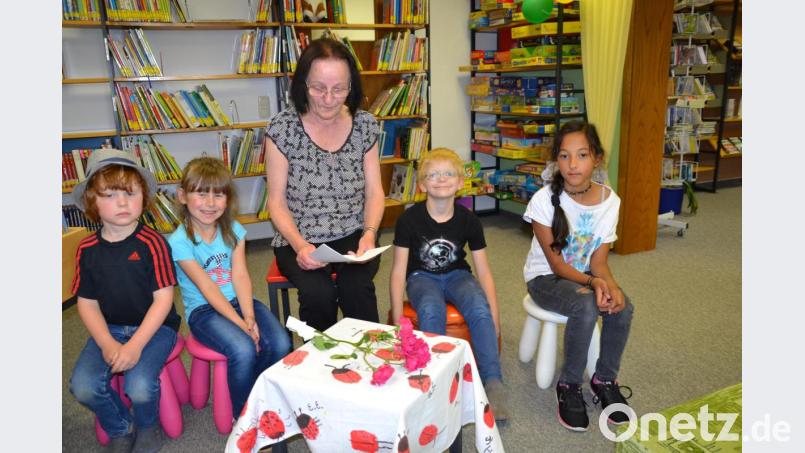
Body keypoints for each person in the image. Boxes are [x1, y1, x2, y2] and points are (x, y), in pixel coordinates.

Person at [266, 37, 385, 331]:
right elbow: (276, 201)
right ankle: (317, 369)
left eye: (339, 89)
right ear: (303, 84)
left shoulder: (365, 124)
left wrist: (369, 235)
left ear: (351, 87)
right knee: (317, 295)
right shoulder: (283, 128)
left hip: (354, 232)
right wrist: (300, 246)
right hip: (299, 236)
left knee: (357, 290)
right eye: (318, 88)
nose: (329, 99)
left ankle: (369, 368)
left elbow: (374, 191)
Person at [523, 120, 634, 432]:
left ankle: (604, 379)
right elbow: (557, 266)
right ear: (556, 160)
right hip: (545, 278)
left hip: (586, 275)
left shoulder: (609, 201)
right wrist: (593, 283)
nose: (572, 164)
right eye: (564, 156)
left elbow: (599, 262)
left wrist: (609, 285)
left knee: (622, 305)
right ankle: (569, 385)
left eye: (582, 155)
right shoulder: (543, 200)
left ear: (596, 158)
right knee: (585, 306)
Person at [69, 148, 181, 453]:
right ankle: (121, 426)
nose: (122, 202)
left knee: (140, 387)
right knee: (82, 386)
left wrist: (134, 346)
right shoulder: (87, 248)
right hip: (111, 329)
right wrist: (107, 343)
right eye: (109, 195)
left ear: (143, 198)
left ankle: (147, 425)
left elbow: (163, 300)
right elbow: (87, 303)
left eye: (130, 194)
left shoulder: (153, 242)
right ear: (92, 201)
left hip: (156, 329)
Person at [389, 148, 509, 422]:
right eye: (433, 174)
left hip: (458, 275)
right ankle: (437, 380)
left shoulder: (469, 220)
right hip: (421, 277)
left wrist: (495, 314)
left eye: (448, 174)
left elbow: (484, 271)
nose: (441, 179)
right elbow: (398, 271)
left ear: (459, 183)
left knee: (478, 308)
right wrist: (397, 317)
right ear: (422, 185)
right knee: (431, 310)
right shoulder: (408, 220)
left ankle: (493, 381)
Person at [169, 157, 291, 418]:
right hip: (204, 311)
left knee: (281, 343)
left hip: (238, 302)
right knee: (243, 349)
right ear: (182, 196)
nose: (210, 203)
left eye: (218, 195)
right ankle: (244, 417)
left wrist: (248, 315)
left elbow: (241, 275)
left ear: (228, 199)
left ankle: (257, 398)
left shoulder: (234, 229)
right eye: (201, 194)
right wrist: (240, 324)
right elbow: (207, 288)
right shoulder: (179, 241)